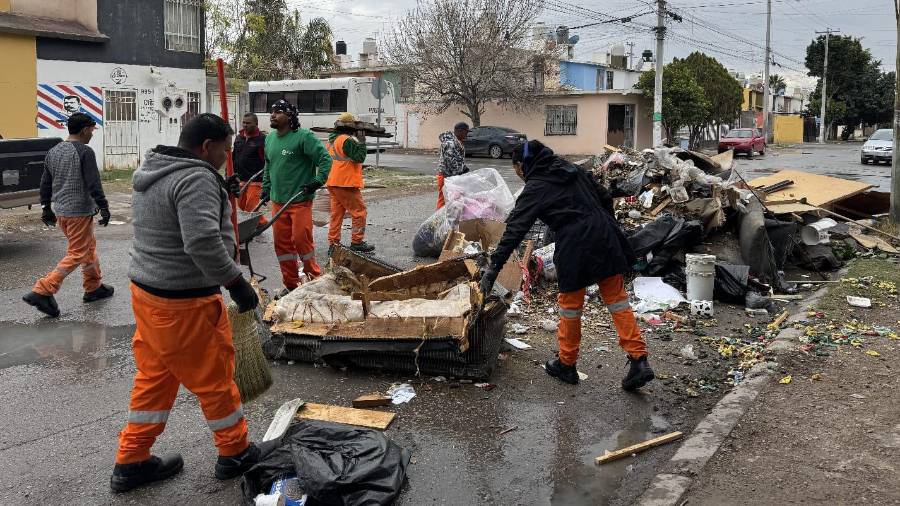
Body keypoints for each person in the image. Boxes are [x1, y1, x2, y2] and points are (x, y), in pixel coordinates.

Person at [111, 113, 260, 492]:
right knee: (214, 379)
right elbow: (202, 241)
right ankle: (235, 451)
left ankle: (132, 458)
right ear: (207, 147)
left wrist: (218, 188)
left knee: (155, 377)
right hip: (185, 303)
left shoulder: (155, 169)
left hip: (149, 295)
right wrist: (235, 282)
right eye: (225, 151)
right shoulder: (195, 179)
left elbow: (176, 217)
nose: (227, 158)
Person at [480, 139, 655, 391]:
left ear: (522, 164)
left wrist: (493, 269)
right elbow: (605, 196)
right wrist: (605, 226)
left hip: (575, 243)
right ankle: (639, 359)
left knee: (571, 305)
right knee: (617, 300)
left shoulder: (536, 186)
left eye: (516, 168)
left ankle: (567, 363)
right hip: (606, 236)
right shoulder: (573, 170)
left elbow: (515, 230)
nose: (517, 173)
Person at [23, 112, 113, 317]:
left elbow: (45, 183)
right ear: (84, 130)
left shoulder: (53, 151)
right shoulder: (85, 151)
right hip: (79, 213)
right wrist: (104, 206)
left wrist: (46, 208)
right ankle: (43, 289)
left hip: (62, 213)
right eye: (92, 130)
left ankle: (93, 287)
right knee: (77, 253)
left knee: (88, 248)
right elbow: (93, 183)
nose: (92, 134)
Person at [259, 99, 332, 297]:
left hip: (300, 201)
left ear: (289, 116)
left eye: (278, 112)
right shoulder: (270, 138)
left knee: (302, 242)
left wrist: (318, 180)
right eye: (272, 111)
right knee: (282, 245)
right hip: (278, 202)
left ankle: (314, 280)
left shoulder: (303, 137)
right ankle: (291, 284)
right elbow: (268, 165)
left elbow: (325, 159)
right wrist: (266, 188)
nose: (273, 115)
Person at [325, 112, 373, 253]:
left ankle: (333, 244)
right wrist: (362, 142)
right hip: (345, 183)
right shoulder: (346, 140)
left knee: (336, 215)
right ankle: (357, 242)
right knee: (359, 212)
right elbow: (359, 157)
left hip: (333, 182)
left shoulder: (331, 141)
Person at [233, 112, 268, 226]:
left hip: (256, 180)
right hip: (240, 178)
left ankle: (250, 228)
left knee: (250, 207)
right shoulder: (239, 138)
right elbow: (234, 157)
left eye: (248, 123)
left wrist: (267, 178)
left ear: (256, 124)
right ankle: (261, 222)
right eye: (243, 122)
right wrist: (231, 173)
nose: (245, 125)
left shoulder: (263, 139)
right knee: (241, 206)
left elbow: (268, 160)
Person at [436, 122, 471, 209]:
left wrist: (465, 169)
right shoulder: (450, 143)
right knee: (444, 200)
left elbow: (459, 159)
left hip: (451, 176)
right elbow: (451, 162)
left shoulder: (456, 142)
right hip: (446, 176)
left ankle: (448, 216)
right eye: (466, 132)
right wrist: (459, 176)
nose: (467, 135)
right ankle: (439, 216)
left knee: (453, 201)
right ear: (460, 131)